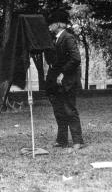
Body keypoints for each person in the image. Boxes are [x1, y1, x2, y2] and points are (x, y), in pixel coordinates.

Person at [46, 9, 85, 150]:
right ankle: (62, 140)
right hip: (55, 81)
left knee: (69, 109)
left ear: (58, 24)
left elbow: (76, 59)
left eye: (51, 23)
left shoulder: (68, 38)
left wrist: (63, 73)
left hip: (67, 81)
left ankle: (78, 141)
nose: (49, 26)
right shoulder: (54, 40)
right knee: (58, 111)